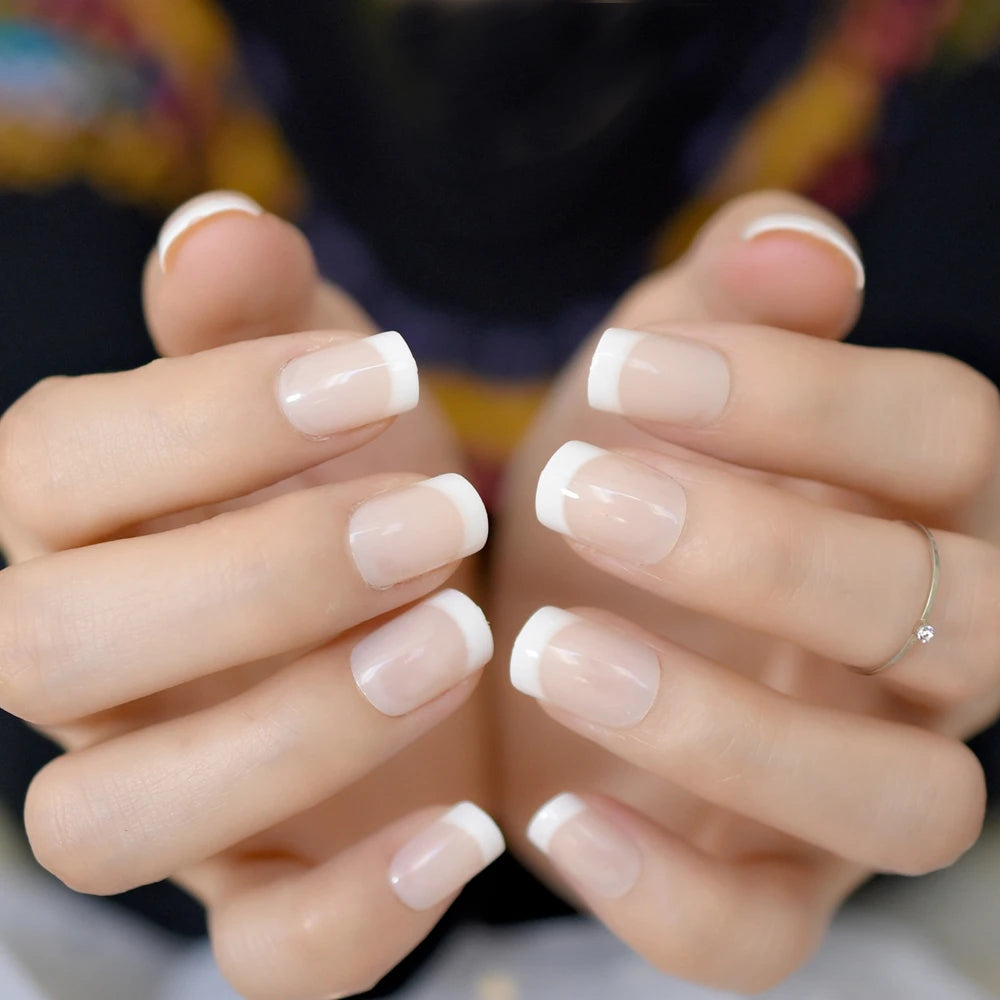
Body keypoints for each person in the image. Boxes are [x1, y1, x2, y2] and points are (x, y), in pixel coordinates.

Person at [1, 2, 999, 998]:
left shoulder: (948, 67)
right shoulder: (63, 70)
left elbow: (944, 574)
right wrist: (242, 818)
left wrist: (919, 653)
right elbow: (60, 636)